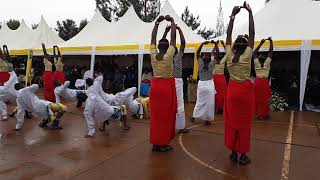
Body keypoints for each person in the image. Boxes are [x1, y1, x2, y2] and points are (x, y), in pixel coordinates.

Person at [224, 2, 255, 165]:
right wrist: (250, 13)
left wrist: (233, 16)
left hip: (232, 91)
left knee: (232, 122)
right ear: (245, 46)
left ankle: (233, 153)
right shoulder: (247, 56)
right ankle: (243, 155)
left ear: (234, 46)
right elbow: (252, 33)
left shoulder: (229, 55)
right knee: (244, 124)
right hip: (244, 92)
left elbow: (228, 35)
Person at [149, 15, 177, 152]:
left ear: (158, 47)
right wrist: (172, 22)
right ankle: (162, 144)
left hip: (154, 88)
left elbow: (153, 38)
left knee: (155, 117)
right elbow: (173, 39)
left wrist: (157, 23)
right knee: (165, 118)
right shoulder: (169, 55)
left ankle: (155, 143)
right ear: (167, 48)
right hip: (165, 88)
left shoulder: (153, 55)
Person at [162, 24, 189, 133]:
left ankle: (177, 126)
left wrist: (171, 31)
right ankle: (177, 126)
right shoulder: (169, 56)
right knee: (178, 105)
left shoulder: (169, 56)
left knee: (175, 105)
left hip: (172, 82)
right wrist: (177, 29)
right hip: (173, 81)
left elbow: (182, 44)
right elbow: (182, 43)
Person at [191, 41, 216, 125]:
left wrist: (202, 44)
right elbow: (216, 55)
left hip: (202, 85)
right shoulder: (211, 65)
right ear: (209, 60)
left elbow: (197, 53)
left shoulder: (201, 64)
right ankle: (207, 119)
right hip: (209, 85)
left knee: (200, 102)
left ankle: (194, 117)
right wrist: (216, 45)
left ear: (203, 59)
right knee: (209, 103)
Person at [253, 37, 273, 120]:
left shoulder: (257, 63)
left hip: (258, 82)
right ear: (264, 59)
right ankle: (263, 114)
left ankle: (262, 114)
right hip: (264, 82)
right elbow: (270, 53)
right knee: (265, 99)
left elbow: (254, 53)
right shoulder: (267, 63)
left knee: (259, 99)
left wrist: (261, 43)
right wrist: (271, 42)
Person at [212, 40, 227, 114]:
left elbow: (212, 52)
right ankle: (221, 108)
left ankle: (215, 108)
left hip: (215, 79)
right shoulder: (222, 62)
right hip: (221, 79)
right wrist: (223, 44)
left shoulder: (213, 61)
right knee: (222, 94)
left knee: (215, 94)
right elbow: (227, 53)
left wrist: (216, 44)